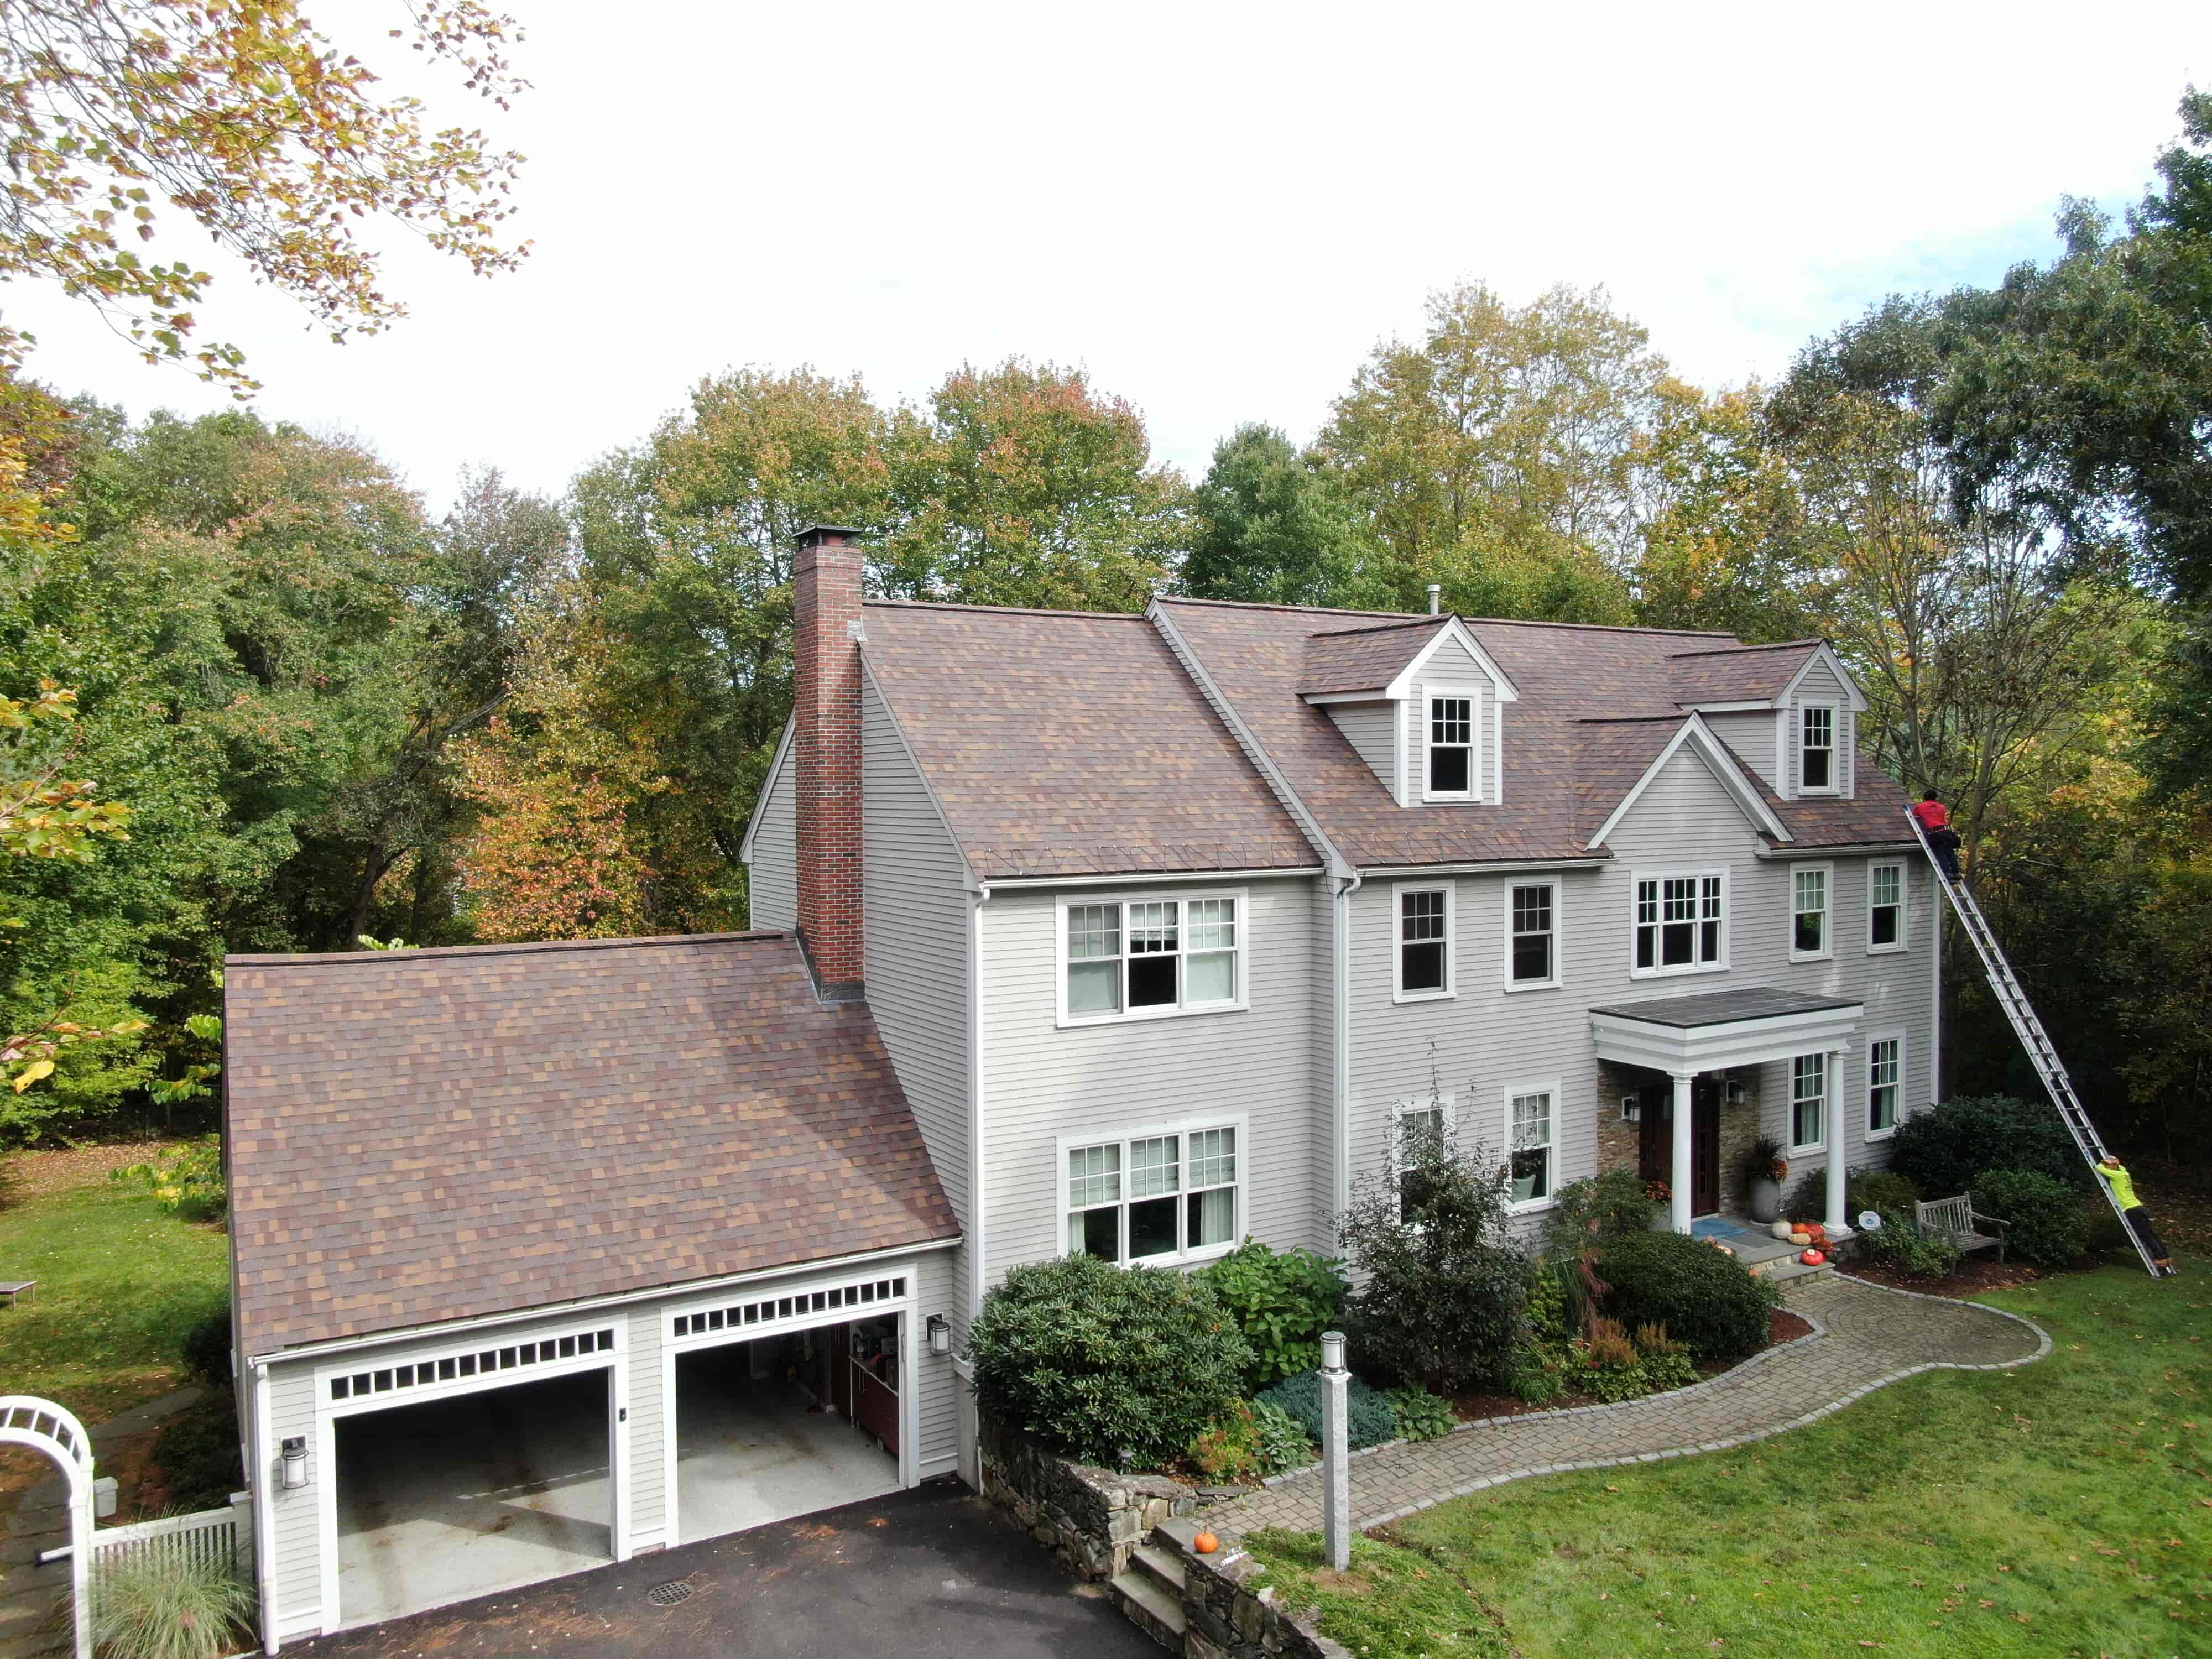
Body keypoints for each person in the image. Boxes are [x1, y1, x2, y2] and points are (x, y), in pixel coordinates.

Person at [2098, 1156, 2177, 1277]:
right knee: (2151, 1234)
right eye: (2107, 1164)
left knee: (2146, 1236)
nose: (2107, 1166)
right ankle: (2165, 1257)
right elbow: (2119, 1167)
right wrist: (2114, 1162)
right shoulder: (2124, 1174)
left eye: (2109, 1164)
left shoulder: (2117, 1175)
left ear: (2115, 1166)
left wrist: (2103, 1164)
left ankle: (2160, 1261)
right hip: (2138, 1207)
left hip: (2131, 1210)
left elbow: (2098, 1168)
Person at [1913, 789, 1961, 879]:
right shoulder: (1942, 807)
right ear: (1935, 798)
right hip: (1946, 832)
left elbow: (1915, 816)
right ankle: (1956, 872)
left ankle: (1947, 872)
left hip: (1935, 834)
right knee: (1950, 852)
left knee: (1940, 852)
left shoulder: (1920, 807)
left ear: (1925, 797)